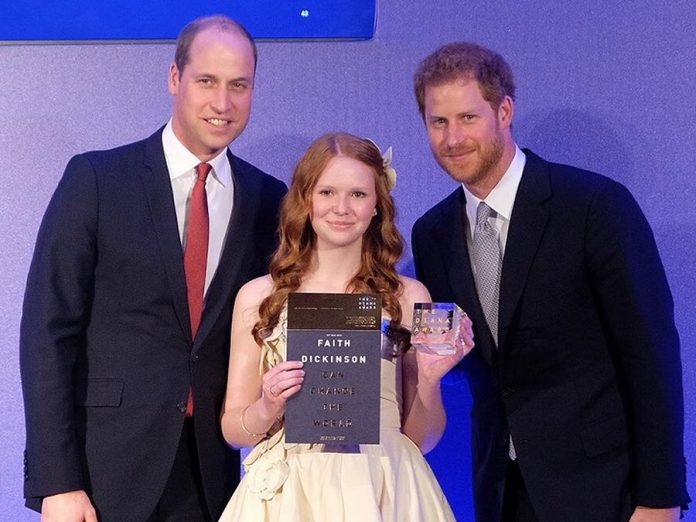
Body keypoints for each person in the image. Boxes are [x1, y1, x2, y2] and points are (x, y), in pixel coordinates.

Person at [19, 15, 286, 521]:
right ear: (173, 79)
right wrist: (58, 481)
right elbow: (47, 333)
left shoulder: (269, 199)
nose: (222, 103)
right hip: (103, 475)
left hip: (212, 477)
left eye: (239, 86)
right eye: (206, 81)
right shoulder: (97, 179)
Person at [410, 42, 690, 522]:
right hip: (501, 490)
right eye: (438, 122)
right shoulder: (432, 233)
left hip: (606, 490)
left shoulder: (593, 207)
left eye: (468, 118)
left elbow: (651, 357)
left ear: (504, 110)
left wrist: (660, 497)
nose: (453, 138)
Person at [217, 132, 474, 521]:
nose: (342, 208)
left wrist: (429, 379)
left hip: (386, 490)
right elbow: (233, 429)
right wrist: (268, 405)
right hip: (291, 497)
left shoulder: (407, 297)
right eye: (327, 193)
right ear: (305, 200)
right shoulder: (259, 296)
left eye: (357, 194)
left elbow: (423, 439)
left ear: (377, 206)